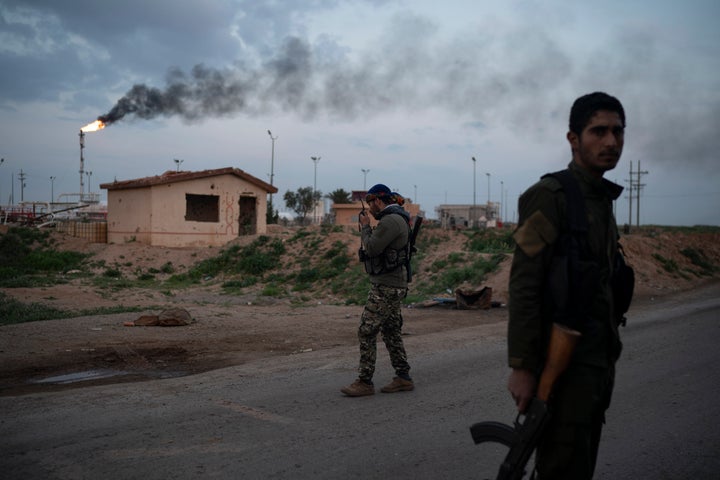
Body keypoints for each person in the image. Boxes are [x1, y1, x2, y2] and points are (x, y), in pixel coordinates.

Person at [506, 92, 627, 479]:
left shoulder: (599, 200)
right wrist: (523, 367)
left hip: (594, 366)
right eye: (598, 131)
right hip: (560, 373)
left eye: (617, 132)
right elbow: (525, 283)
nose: (610, 142)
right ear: (573, 138)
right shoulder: (551, 196)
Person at [341, 183, 414, 397]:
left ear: (378, 201)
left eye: (371, 204)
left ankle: (364, 382)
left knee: (367, 329)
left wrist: (364, 226)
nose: (370, 209)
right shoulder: (395, 218)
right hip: (392, 284)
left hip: (387, 286)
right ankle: (403, 377)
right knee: (391, 332)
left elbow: (371, 248)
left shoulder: (390, 220)